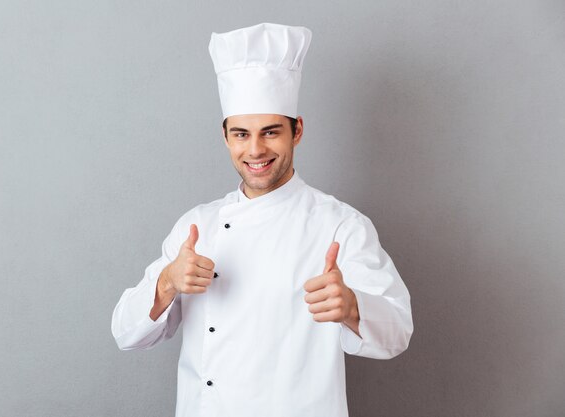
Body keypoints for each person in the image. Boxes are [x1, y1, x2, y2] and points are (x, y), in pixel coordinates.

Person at [111, 22, 413, 417]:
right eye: (241, 134)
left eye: (270, 132)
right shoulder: (196, 227)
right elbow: (125, 334)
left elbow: (398, 333)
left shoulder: (340, 225)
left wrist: (353, 306)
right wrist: (167, 282)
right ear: (225, 137)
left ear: (297, 131)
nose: (255, 150)